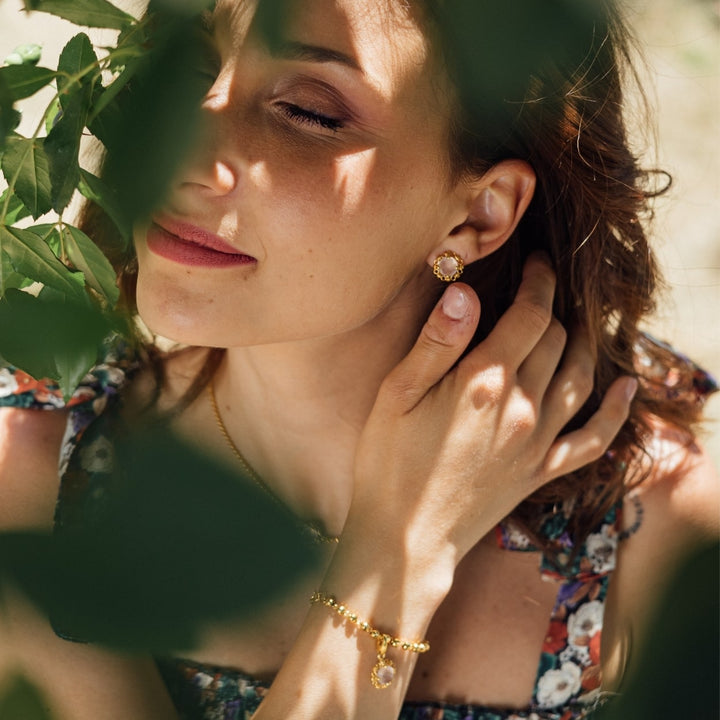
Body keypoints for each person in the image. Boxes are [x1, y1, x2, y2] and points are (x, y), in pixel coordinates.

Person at [0, 0, 717, 718]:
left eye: (307, 112)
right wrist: (401, 549)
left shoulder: (661, 527)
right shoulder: (27, 480)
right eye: (187, 71)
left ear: (481, 214)